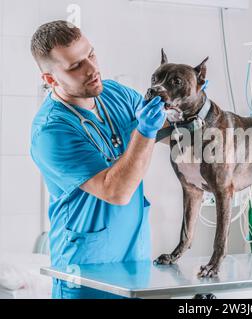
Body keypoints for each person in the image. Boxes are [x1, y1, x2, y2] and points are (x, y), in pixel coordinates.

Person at [30, 20, 166, 299]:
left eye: (90, 54)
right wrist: (146, 130)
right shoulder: (52, 131)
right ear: (51, 79)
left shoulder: (115, 94)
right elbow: (116, 190)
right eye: (75, 66)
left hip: (135, 267)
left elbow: (159, 128)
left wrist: (191, 106)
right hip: (86, 276)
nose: (92, 69)